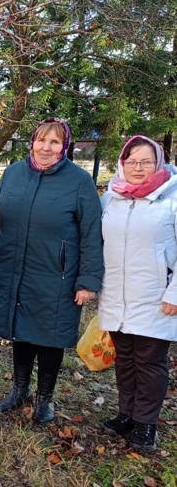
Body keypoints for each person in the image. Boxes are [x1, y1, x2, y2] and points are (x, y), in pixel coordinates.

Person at [0, 118, 103, 424]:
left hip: (56, 274)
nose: (46, 147)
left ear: (65, 147)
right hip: (13, 266)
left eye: (55, 142)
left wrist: (87, 280)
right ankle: (19, 389)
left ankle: (44, 398)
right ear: (32, 142)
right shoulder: (14, 173)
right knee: (21, 329)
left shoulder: (78, 182)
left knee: (49, 335)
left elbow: (91, 232)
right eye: (42, 140)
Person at [98, 135, 177, 452]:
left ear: (158, 163)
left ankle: (146, 425)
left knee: (150, 362)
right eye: (132, 161)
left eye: (146, 161)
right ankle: (126, 415)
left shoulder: (171, 197)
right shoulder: (112, 197)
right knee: (125, 359)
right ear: (122, 164)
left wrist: (175, 293)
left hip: (156, 296)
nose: (138, 168)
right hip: (117, 294)